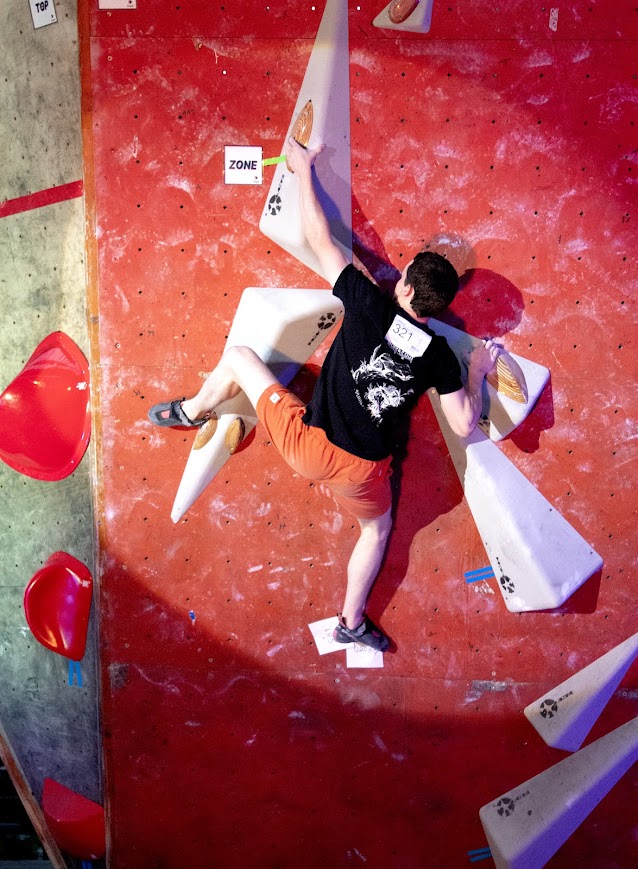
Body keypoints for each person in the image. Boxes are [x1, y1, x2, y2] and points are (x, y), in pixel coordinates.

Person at [149, 137, 501, 652]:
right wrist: (477, 372)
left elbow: (320, 239)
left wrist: (302, 168)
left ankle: (190, 411)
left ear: (405, 286)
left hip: (306, 446)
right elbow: (465, 424)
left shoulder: (367, 302)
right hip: (362, 472)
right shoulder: (441, 357)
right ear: (438, 307)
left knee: (240, 356)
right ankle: (351, 622)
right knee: (376, 533)